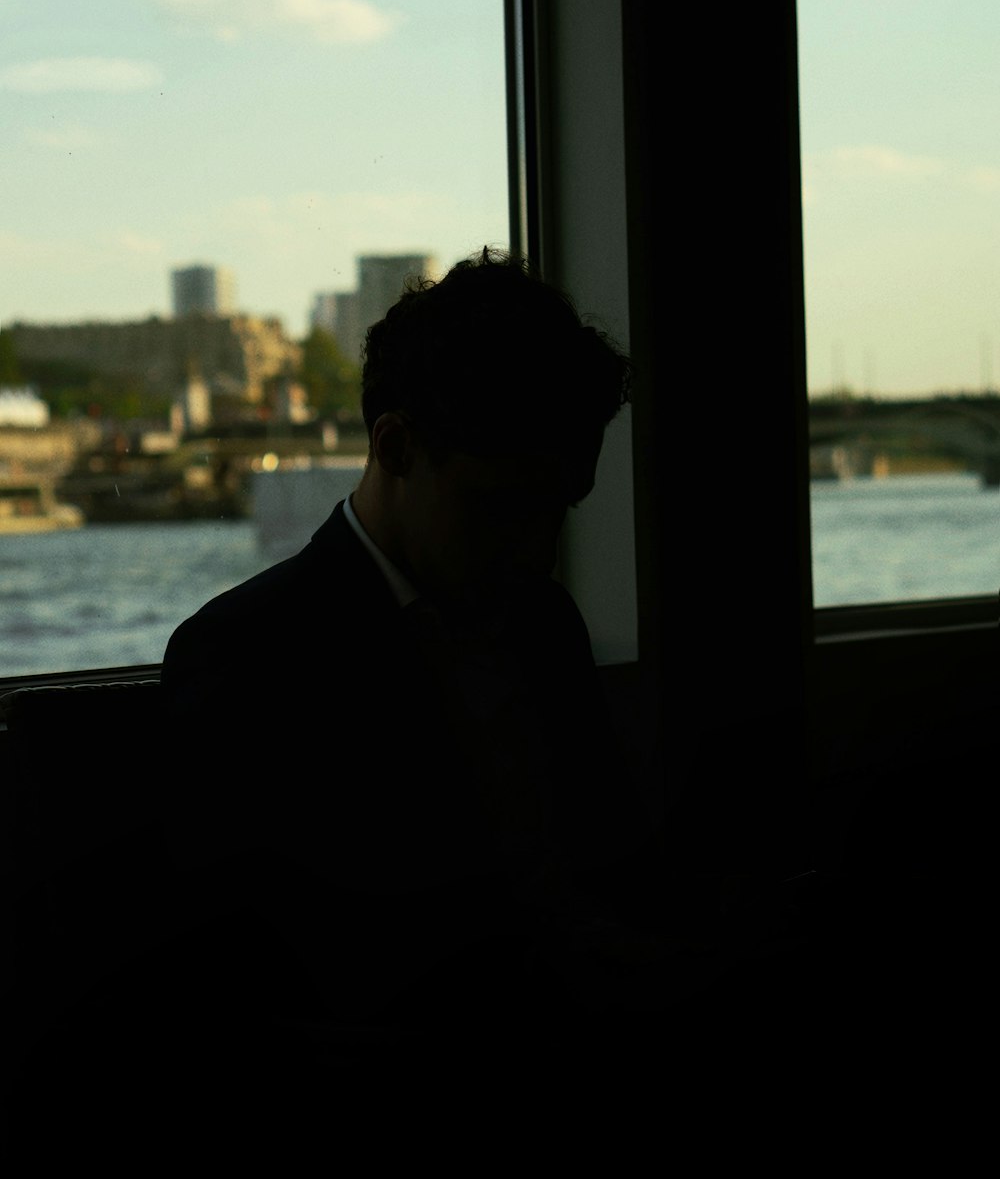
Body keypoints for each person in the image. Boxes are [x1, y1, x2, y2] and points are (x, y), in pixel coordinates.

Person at [153, 250, 803, 1109]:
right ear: (394, 446)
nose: (537, 548)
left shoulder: (521, 622)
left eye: (558, 508)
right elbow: (238, 985)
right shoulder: (246, 656)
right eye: (503, 507)